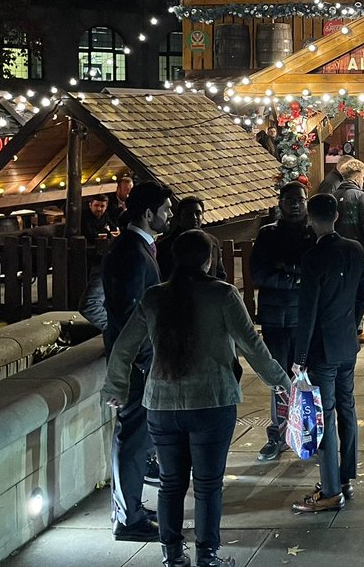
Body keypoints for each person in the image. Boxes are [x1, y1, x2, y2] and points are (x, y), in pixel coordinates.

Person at [103, 230, 290, 567]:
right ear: (208, 260)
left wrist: (116, 387)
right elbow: (252, 345)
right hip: (212, 401)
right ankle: (207, 556)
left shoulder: (154, 297)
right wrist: (279, 380)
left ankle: (172, 556)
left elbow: (123, 348)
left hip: (161, 403)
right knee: (207, 484)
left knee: (171, 484)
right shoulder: (222, 295)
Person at [92, 181, 173, 542]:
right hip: (138, 365)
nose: (169, 214)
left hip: (141, 361)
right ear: (148, 213)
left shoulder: (137, 248)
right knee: (132, 438)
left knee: (139, 438)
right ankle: (128, 517)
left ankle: (134, 507)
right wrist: (137, 362)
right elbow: (127, 315)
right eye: (165, 209)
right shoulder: (131, 253)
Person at [290, 194, 364, 514]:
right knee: (347, 409)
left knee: (325, 415)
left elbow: (307, 311)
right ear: (336, 215)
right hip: (347, 344)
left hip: (322, 350)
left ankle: (331, 490)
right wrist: (353, 327)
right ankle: (347, 476)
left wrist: (300, 356)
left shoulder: (313, 257)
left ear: (311, 219)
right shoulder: (356, 249)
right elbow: (363, 296)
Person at [250, 183, 313, 462]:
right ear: (280, 203)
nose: (295, 205)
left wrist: (285, 270)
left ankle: (307, 433)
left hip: (303, 317)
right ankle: (278, 433)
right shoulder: (268, 234)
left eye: (299, 200)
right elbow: (259, 272)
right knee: (278, 379)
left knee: (306, 377)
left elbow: (312, 270)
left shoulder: (312, 234)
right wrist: (293, 277)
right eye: (289, 200)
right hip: (275, 317)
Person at [334, 159, 364, 344]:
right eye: (363, 176)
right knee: (361, 294)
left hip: (337, 252)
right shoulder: (359, 196)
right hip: (357, 252)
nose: (363, 179)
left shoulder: (334, 194)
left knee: (342, 292)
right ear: (357, 175)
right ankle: (355, 331)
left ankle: (344, 329)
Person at [156, 196, 225, 281]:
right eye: (189, 214)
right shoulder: (165, 246)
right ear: (179, 217)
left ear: (203, 216)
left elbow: (220, 274)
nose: (194, 217)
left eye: (198, 213)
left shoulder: (213, 242)